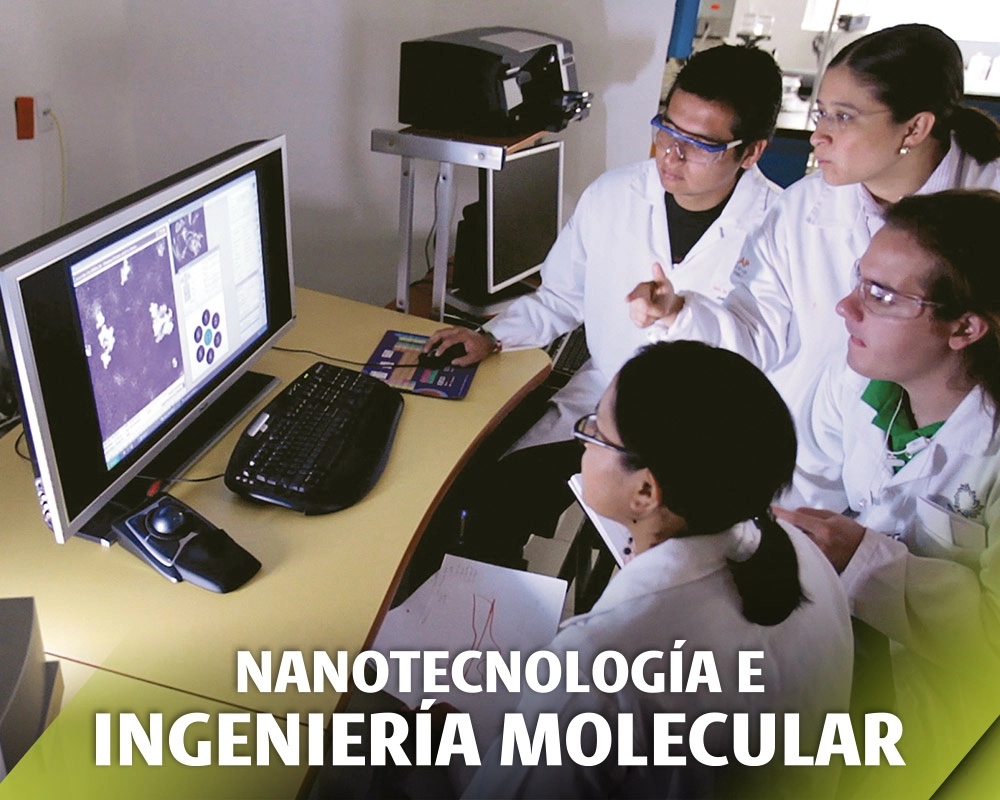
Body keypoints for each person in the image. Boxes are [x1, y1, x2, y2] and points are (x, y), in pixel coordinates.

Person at [425, 44, 784, 567]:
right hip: (606, 399)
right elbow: (560, 297)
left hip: (704, 437)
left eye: (700, 145)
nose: (671, 154)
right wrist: (491, 336)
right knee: (492, 493)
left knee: (657, 556)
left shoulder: (779, 230)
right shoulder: (613, 195)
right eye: (668, 129)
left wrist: (680, 314)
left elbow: (765, 356)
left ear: (750, 152)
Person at [462, 341, 854, 799]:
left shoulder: (600, 662)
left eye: (596, 430)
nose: (582, 438)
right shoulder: (802, 553)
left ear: (646, 492)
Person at [628, 24, 1000, 432]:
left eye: (843, 117)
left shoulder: (988, 207)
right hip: (807, 450)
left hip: (949, 456)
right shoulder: (802, 207)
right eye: (822, 113)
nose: (818, 135)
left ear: (914, 128)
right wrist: (679, 314)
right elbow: (758, 332)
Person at [774, 189, 1000, 785]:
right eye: (860, 280)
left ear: (964, 327)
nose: (846, 306)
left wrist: (861, 559)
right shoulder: (857, 380)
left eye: (881, 295)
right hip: (839, 644)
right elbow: (807, 490)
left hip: (942, 712)